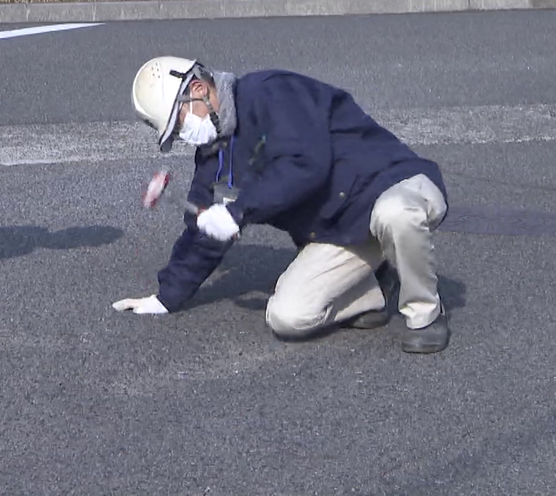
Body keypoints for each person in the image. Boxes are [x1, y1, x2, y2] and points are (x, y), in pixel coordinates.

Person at [114, 57, 452, 354]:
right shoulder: (214, 157)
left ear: (200, 89)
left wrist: (239, 211)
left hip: (395, 186)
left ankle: (425, 314)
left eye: (179, 122)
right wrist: (166, 297)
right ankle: (378, 285)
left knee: (395, 214)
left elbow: (307, 164)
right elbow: (203, 234)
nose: (183, 135)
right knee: (288, 317)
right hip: (341, 230)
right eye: (174, 134)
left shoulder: (271, 93)